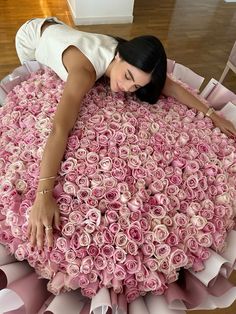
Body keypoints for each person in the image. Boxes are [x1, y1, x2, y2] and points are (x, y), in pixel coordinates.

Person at [15, 17, 236, 251]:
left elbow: (169, 86)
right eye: (128, 77)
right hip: (34, 35)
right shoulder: (84, 72)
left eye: (136, 87)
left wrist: (211, 114)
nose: (128, 89)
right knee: (37, 74)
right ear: (119, 55)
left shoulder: (125, 53)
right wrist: (43, 195)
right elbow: (60, 127)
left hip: (63, 32)